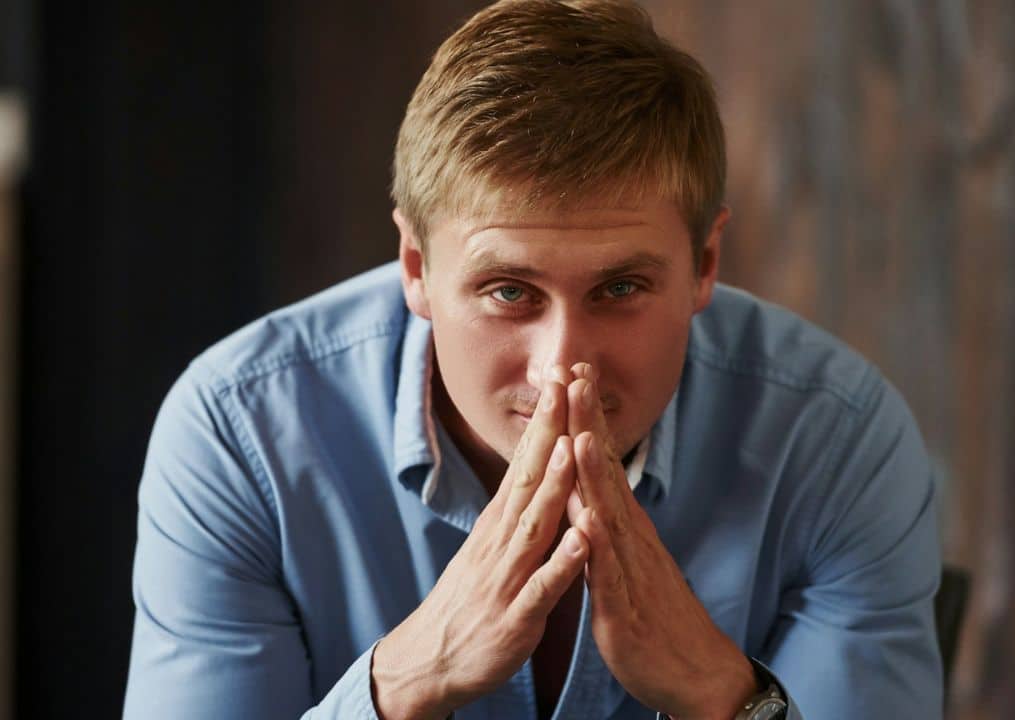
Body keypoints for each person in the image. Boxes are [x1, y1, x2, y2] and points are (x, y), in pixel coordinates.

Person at [122, 1, 942, 718]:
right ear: (417, 267)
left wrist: (722, 695)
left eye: (620, 288)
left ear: (704, 264)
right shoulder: (240, 434)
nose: (562, 367)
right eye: (509, 291)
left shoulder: (837, 439)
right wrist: (404, 683)